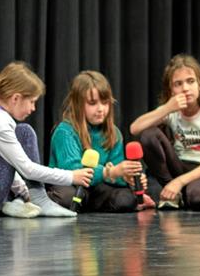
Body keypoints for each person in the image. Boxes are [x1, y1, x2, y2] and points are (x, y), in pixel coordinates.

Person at [0, 61, 93, 218]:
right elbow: (27, 169)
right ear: (16, 98)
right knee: (24, 132)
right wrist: (71, 176)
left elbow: (6, 164)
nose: (33, 108)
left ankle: (16, 202)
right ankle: (38, 200)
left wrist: (25, 194)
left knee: (21, 134)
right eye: (32, 102)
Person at [129, 54, 200, 211]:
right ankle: (174, 194)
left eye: (190, 81)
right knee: (148, 135)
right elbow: (135, 128)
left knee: (197, 199)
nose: (185, 88)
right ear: (172, 90)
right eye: (178, 84)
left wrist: (178, 182)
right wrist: (166, 108)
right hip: (179, 165)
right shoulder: (172, 111)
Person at [47, 70, 155, 212]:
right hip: (70, 184)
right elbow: (72, 168)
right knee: (67, 197)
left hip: (96, 188)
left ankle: (85, 205)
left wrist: (127, 178)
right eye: (92, 103)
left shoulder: (114, 133)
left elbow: (115, 171)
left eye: (105, 103)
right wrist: (108, 172)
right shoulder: (65, 131)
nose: (100, 109)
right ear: (78, 104)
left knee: (125, 199)